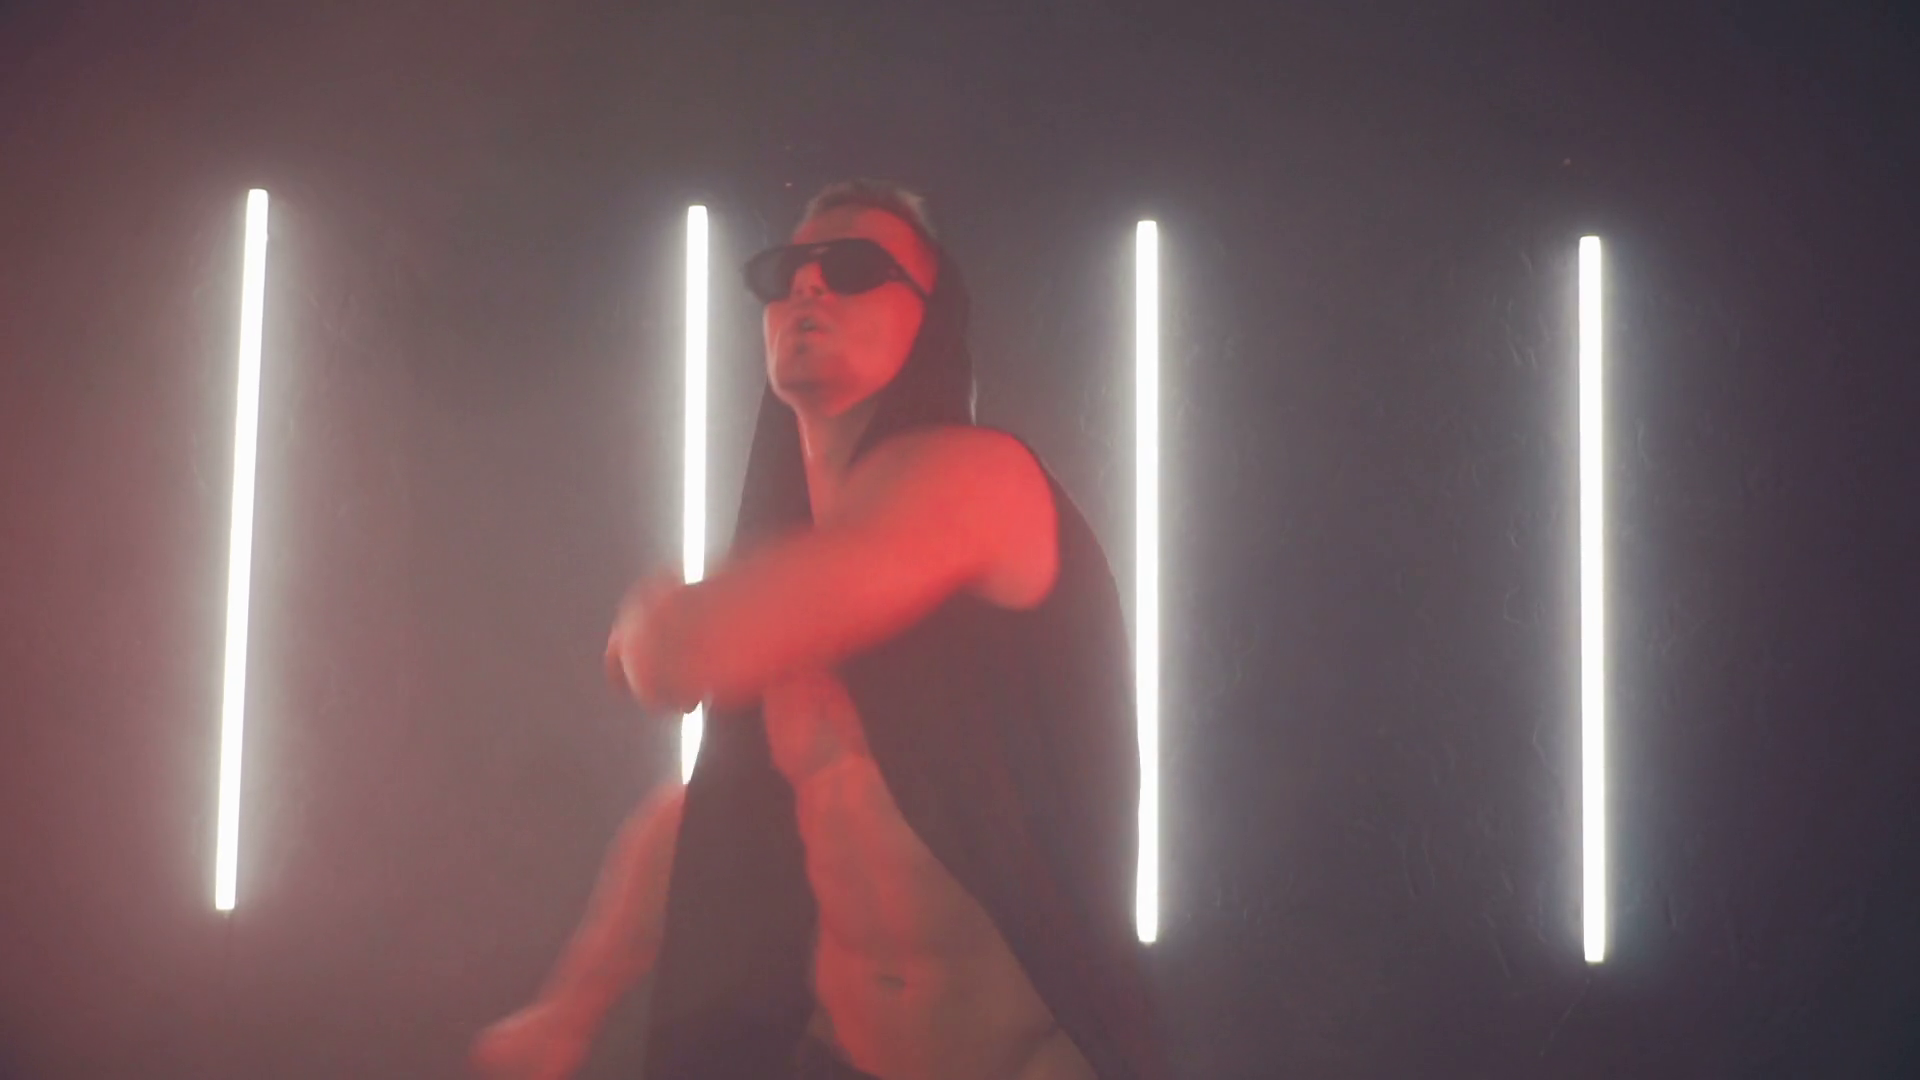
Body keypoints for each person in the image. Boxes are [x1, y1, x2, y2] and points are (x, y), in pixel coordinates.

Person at [475, 180, 1163, 1080]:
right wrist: (569, 1008)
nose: (808, 285)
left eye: (854, 267)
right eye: (786, 271)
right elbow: (711, 814)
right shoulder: (797, 572)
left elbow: (685, 651)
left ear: (930, 321)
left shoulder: (979, 480)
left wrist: (655, 621)